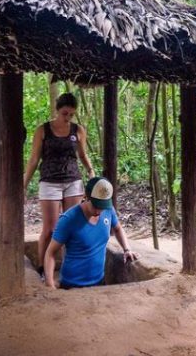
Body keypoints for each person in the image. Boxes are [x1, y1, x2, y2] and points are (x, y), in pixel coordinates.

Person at [23, 93, 95, 278]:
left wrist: (91, 172)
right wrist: (23, 184)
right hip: (49, 182)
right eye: (65, 113)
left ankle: (69, 269)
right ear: (57, 110)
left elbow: (82, 155)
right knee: (50, 229)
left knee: (72, 226)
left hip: (73, 181)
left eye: (71, 115)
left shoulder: (78, 130)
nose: (67, 118)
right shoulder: (43, 130)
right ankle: (42, 268)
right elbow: (33, 159)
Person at [44, 177, 139, 289]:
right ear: (86, 197)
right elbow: (50, 253)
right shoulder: (68, 219)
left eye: (102, 206)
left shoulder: (108, 210)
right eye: (96, 205)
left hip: (99, 281)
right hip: (72, 285)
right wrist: (50, 283)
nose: (99, 211)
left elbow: (117, 228)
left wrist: (127, 249)